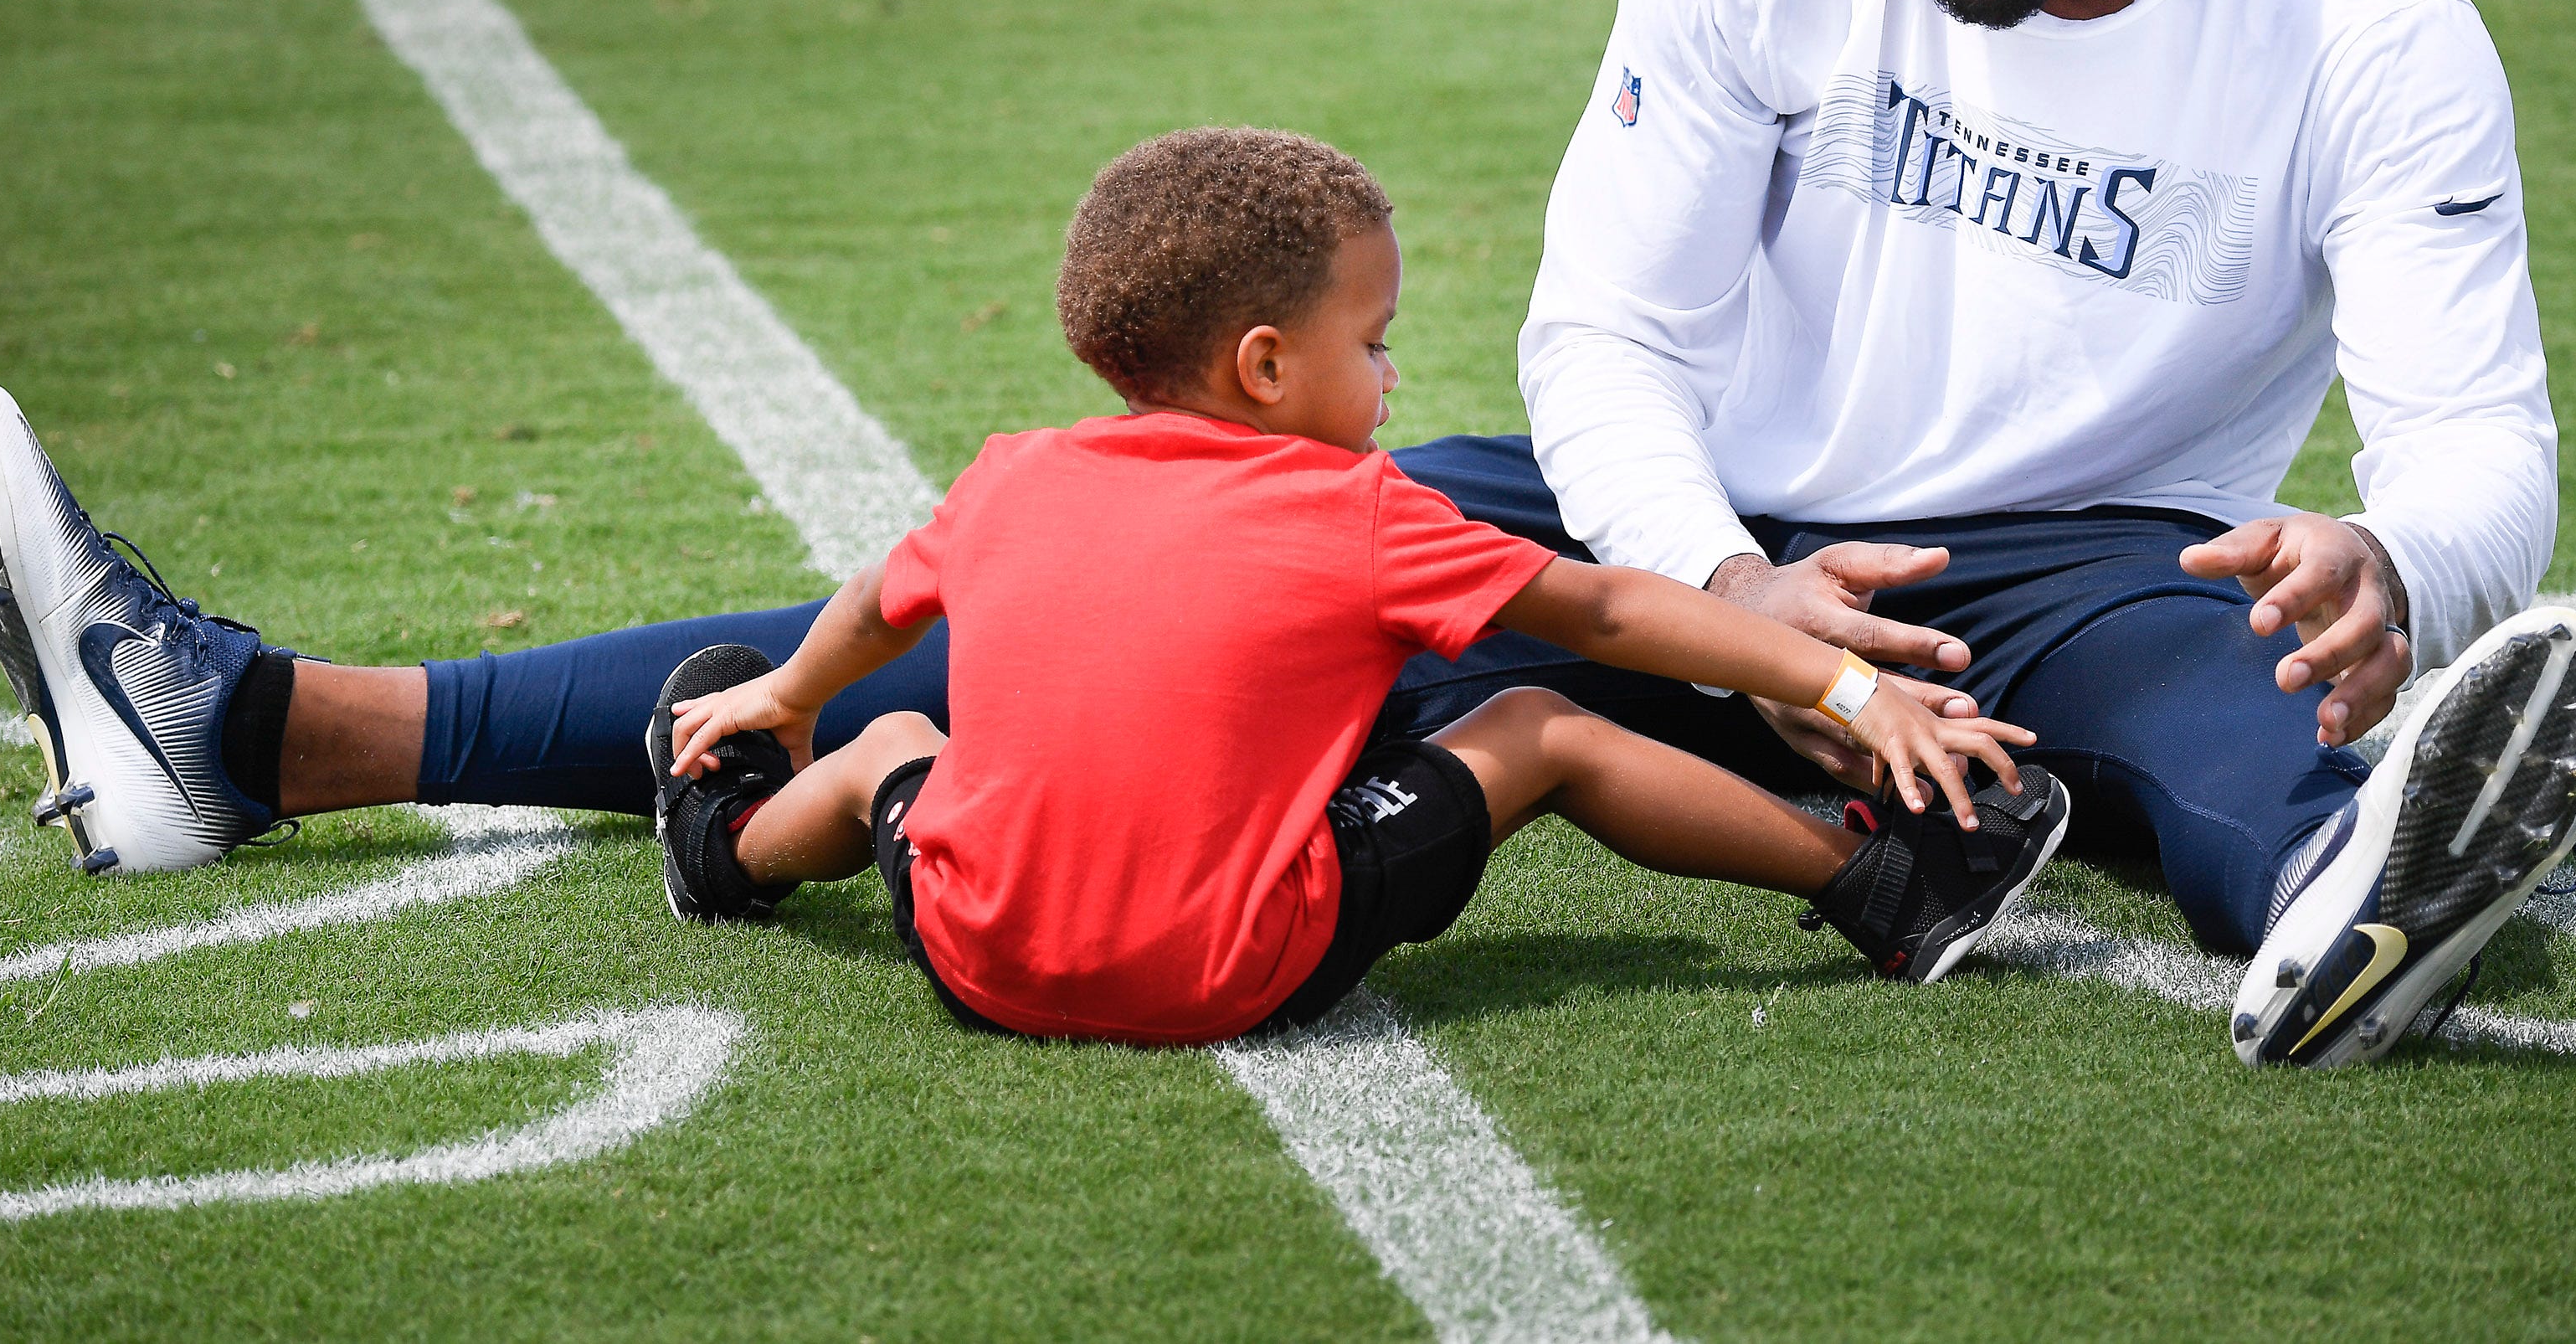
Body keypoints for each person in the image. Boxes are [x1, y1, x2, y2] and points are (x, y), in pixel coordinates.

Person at [0, 0, 2576, 1064]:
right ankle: (257, 731)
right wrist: (1740, 598)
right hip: (1649, 513)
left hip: (2080, 552)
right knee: (1101, 571)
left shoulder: (2361, 23)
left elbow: (2477, 433)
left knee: (2283, 721)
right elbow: (1602, 330)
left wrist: (2408, 559)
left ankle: (2360, 901)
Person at [640, 130, 2065, 1041]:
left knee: (893, 741)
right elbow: (1616, 611)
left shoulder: (1013, 470)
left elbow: (889, 602)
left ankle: (728, 848)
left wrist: (786, 690)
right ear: (1265, 364)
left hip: (980, 952)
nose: (1393, 376)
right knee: (1541, 727)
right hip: (1229, 966)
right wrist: (1849, 681)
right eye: (1374, 341)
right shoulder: (1359, 506)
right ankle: (1885, 884)